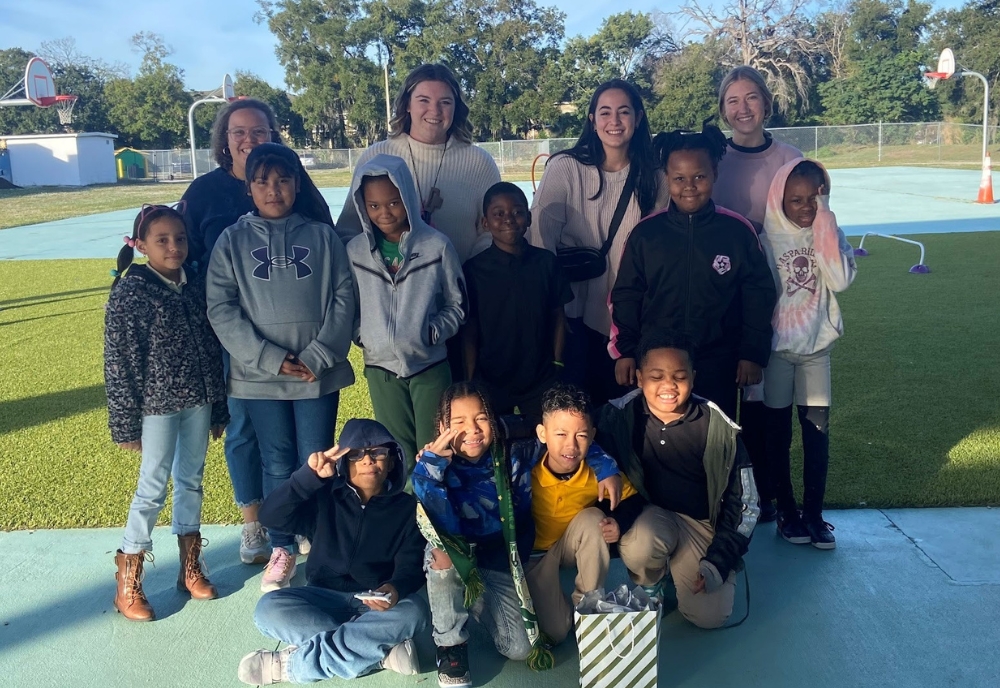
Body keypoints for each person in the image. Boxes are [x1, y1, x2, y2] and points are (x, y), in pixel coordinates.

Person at [181, 98, 333, 566]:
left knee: (309, 447)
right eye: (238, 132)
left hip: (309, 349)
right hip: (241, 340)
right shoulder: (205, 194)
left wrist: (322, 349)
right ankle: (261, 525)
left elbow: (336, 272)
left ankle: (304, 524)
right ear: (224, 139)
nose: (248, 139)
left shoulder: (303, 196)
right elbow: (186, 259)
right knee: (250, 433)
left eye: (259, 131)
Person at [207, 143, 355, 592]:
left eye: (284, 180)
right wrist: (271, 358)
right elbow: (221, 307)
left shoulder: (322, 237)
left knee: (316, 456)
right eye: (262, 181)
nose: (274, 190)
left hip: (316, 375)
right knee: (276, 461)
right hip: (260, 378)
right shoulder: (232, 241)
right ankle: (282, 544)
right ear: (248, 187)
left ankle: (318, 536)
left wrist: (317, 356)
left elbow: (344, 296)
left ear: (297, 183)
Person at [104, 203, 229, 622]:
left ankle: (190, 567)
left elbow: (213, 347)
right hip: (155, 408)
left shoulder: (195, 285)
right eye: (162, 240)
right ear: (141, 246)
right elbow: (119, 361)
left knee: (191, 479)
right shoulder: (131, 291)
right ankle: (129, 577)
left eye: (179, 238)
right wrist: (125, 421)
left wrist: (218, 409)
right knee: (152, 486)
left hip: (198, 399)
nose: (173, 247)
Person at [236, 419, 429, 685]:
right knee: (269, 608)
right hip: (321, 598)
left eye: (378, 453)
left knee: (415, 610)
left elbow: (411, 565)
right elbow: (271, 516)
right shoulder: (323, 495)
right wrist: (308, 477)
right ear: (343, 464)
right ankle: (378, 655)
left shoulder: (408, 509)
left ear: (393, 460)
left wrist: (395, 588)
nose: (367, 460)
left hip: (373, 607)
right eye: (356, 454)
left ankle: (290, 665)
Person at [609, 124, 777, 420]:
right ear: (667, 178)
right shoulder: (646, 234)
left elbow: (758, 295)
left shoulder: (738, 232)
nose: (689, 186)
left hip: (718, 362)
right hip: (659, 366)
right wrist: (625, 351)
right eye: (679, 178)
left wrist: (751, 353)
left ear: (714, 174)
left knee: (714, 442)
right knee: (658, 445)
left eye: (699, 176)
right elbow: (625, 295)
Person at [596, 333, 760, 629]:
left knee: (710, 617)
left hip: (701, 524)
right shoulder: (617, 416)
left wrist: (718, 562)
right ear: (639, 378)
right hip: (650, 516)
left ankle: (691, 567)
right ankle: (652, 583)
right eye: (656, 376)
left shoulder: (718, 428)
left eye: (679, 376)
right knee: (640, 545)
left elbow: (746, 504)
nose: (668, 386)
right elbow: (581, 440)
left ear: (693, 378)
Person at [528, 79, 669, 406]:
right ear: (592, 119)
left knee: (623, 414)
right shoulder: (566, 168)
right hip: (573, 315)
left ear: (638, 117)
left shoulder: (654, 177)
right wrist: (550, 310)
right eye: (605, 112)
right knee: (576, 414)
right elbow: (540, 241)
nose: (614, 121)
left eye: (624, 112)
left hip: (629, 320)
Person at [711, 66, 803, 523]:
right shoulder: (714, 158)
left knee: (772, 405)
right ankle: (735, 495)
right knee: (731, 402)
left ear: (766, 103)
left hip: (783, 297)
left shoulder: (788, 158)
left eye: (751, 98)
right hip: (726, 297)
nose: (742, 108)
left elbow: (811, 225)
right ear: (723, 108)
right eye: (733, 100)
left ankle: (776, 496)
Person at [346, 154, 466, 471]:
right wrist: (365, 336)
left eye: (394, 202)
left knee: (436, 448)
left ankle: (437, 515)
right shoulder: (356, 251)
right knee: (396, 452)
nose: (384, 212)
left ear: (409, 199)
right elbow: (349, 304)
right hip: (381, 368)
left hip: (429, 365)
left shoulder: (436, 245)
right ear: (363, 206)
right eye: (374, 206)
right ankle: (408, 514)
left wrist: (430, 333)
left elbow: (458, 303)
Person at [760, 159, 856, 550]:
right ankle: (787, 510)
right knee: (778, 435)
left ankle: (814, 514)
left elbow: (841, 280)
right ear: (779, 198)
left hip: (817, 350)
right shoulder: (766, 239)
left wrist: (826, 224)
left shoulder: (829, 232)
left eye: (814, 198)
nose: (805, 207)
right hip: (777, 353)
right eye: (795, 199)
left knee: (817, 433)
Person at [336, 63, 501, 263]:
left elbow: (493, 231)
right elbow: (349, 229)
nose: (435, 110)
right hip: (390, 289)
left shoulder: (480, 163)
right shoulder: (376, 157)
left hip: (466, 285)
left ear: (456, 107)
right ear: (407, 104)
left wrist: (464, 276)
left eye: (445, 102)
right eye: (424, 100)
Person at [525, 384, 645, 645]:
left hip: (570, 545)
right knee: (556, 631)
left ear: (592, 436)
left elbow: (633, 498)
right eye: (560, 434)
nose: (571, 445)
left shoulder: (600, 473)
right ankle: (558, 610)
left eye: (580, 435)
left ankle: (589, 606)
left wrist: (620, 523)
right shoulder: (525, 470)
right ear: (542, 434)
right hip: (534, 556)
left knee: (593, 519)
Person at [463, 182, 573, 420]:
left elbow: (558, 315)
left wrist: (558, 363)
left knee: (543, 440)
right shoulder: (473, 270)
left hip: (540, 375)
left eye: (517, 212)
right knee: (496, 442)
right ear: (485, 222)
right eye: (498, 214)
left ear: (529, 218)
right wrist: (471, 378)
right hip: (492, 377)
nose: (509, 220)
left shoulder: (546, 263)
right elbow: (470, 327)